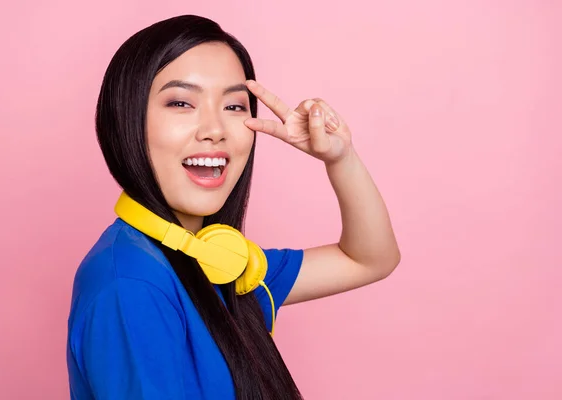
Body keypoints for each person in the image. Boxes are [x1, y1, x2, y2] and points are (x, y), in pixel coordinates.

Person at [66, 14, 401, 400]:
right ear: (127, 120)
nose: (215, 129)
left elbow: (370, 259)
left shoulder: (217, 261)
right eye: (181, 102)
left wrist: (340, 158)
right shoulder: (131, 286)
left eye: (235, 107)